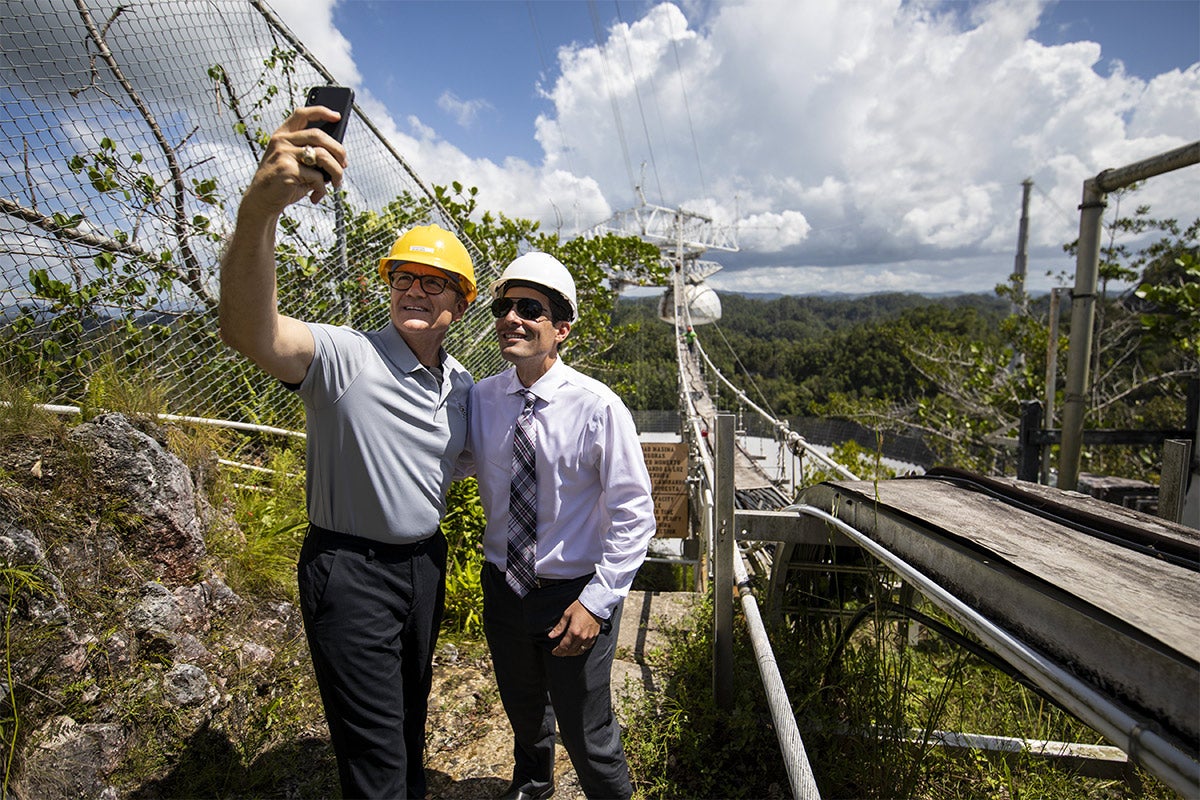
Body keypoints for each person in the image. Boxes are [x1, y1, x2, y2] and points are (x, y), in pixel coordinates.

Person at [217, 103, 476, 800]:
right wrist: (260, 209)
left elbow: (500, 456)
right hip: (350, 569)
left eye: (434, 282)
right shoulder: (345, 355)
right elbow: (251, 329)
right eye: (403, 279)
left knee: (408, 726)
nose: (415, 291)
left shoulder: (460, 384)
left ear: (461, 301)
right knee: (375, 760)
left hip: (424, 563)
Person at [466, 252, 656, 800]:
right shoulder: (482, 399)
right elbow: (450, 461)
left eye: (531, 308)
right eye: (504, 306)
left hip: (574, 592)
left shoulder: (597, 407)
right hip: (504, 586)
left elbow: (633, 511)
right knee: (524, 711)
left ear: (561, 329)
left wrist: (597, 602)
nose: (511, 318)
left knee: (585, 729)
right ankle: (532, 787)